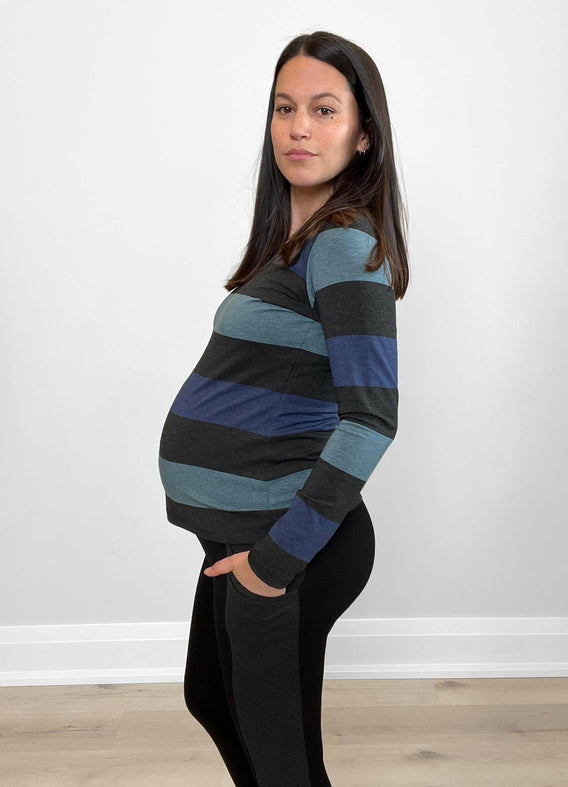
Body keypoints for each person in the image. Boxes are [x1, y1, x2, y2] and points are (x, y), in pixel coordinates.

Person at [158, 29, 409, 787]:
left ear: (364, 137)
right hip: (241, 534)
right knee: (213, 697)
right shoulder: (292, 242)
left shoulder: (341, 245)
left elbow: (372, 417)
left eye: (325, 109)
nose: (299, 127)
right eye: (284, 107)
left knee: (284, 762)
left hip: (287, 543)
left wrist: (272, 566)